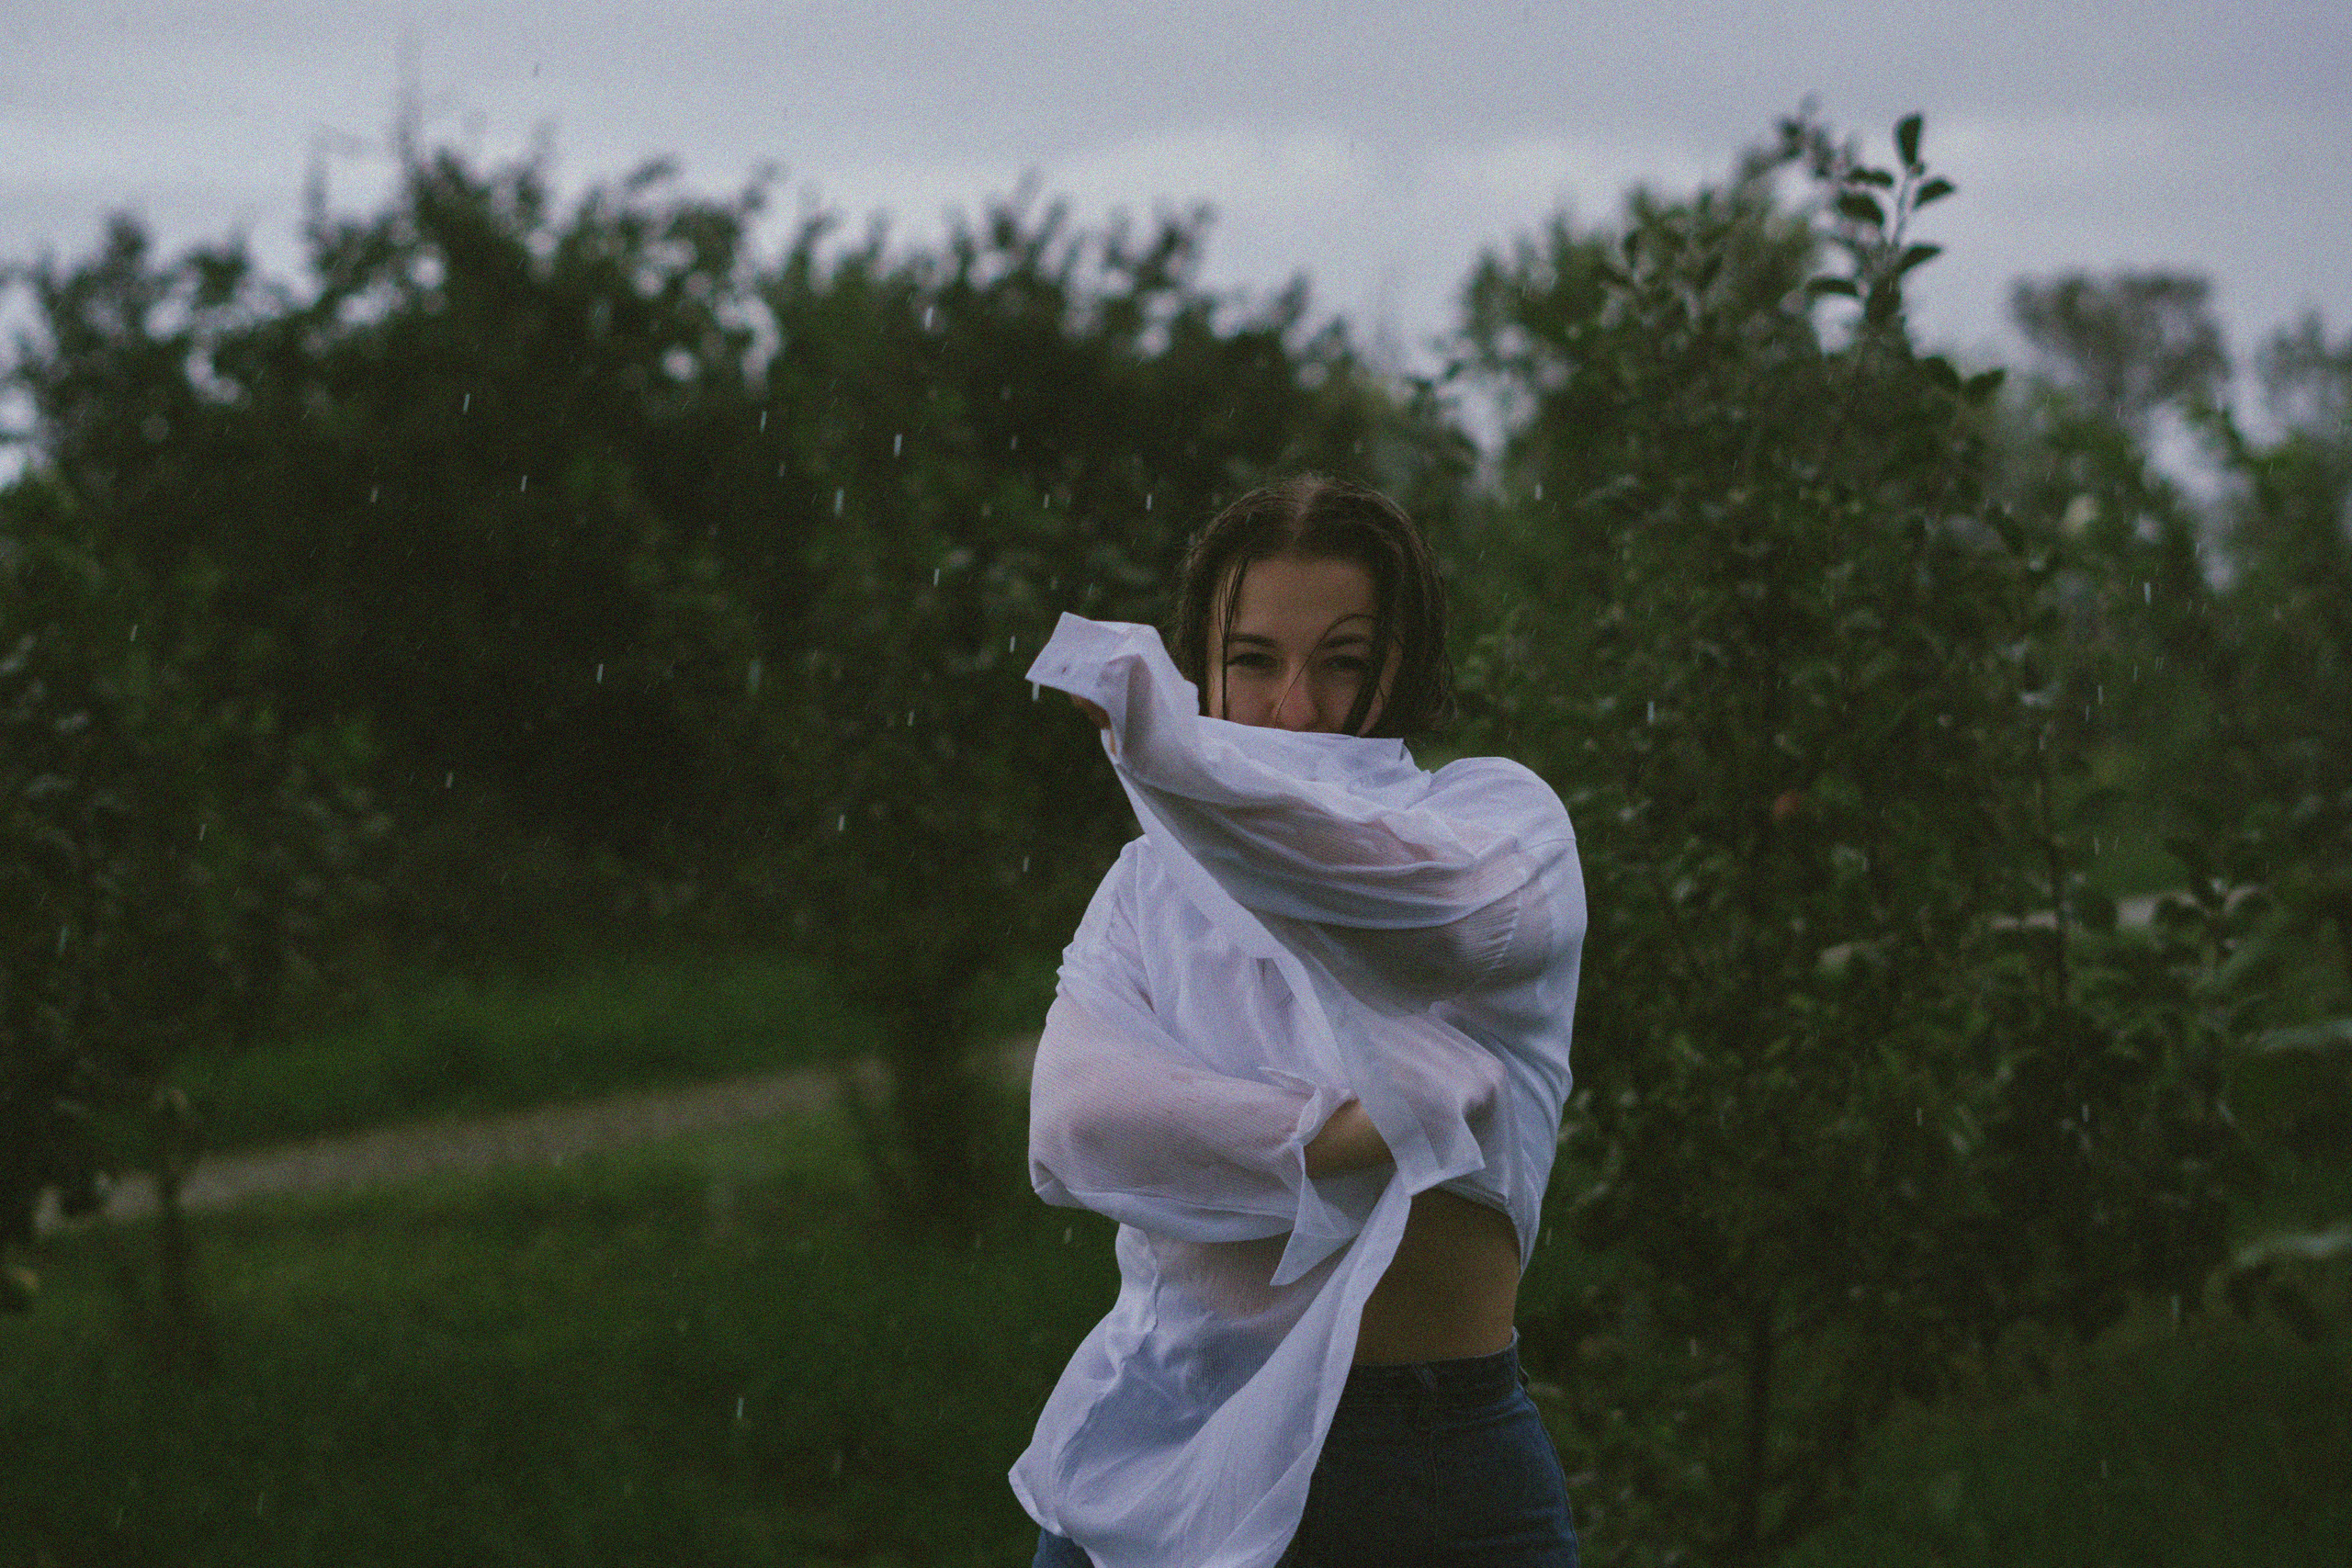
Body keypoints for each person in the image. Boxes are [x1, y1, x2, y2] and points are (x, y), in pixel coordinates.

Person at [1011, 476, 1586, 1567]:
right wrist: (1363, 1131)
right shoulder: (1144, 885)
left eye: (1345, 663)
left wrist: (1171, 760)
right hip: (1157, 1437)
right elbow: (1079, 1129)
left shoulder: (1497, 822)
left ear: (1405, 663)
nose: (1297, 711)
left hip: (1423, 1466)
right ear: (1203, 670)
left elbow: (1408, 913)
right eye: (1255, 661)